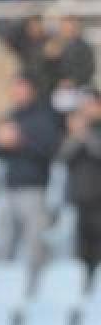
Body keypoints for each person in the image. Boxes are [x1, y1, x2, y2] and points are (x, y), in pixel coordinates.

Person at [0, 73, 63, 269]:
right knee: (4, 236)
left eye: (20, 87)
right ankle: (3, 278)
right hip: (10, 185)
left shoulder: (44, 116)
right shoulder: (11, 116)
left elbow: (48, 148)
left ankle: (36, 280)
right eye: (13, 88)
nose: (16, 92)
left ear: (31, 89)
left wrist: (20, 141)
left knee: (34, 239)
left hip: (34, 186)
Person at [62, 90, 101, 272]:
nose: (86, 108)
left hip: (98, 196)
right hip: (81, 196)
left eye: (90, 104)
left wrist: (86, 135)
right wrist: (75, 136)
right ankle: (84, 278)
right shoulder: (77, 131)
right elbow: (62, 157)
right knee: (82, 245)